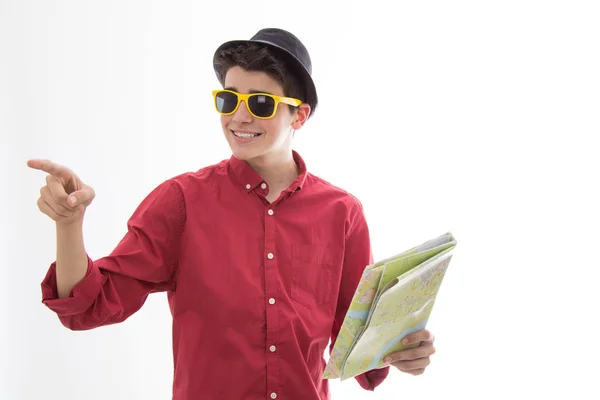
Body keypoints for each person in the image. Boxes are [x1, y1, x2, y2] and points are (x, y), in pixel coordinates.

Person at [28, 28, 436, 400]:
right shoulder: (181, 201)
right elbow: (89, 305)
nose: (239, 117)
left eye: (260, 103)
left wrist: (398, 353)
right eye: (229, 99)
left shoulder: (342, 214)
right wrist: (69, 225)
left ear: (299, 114)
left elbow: (357, 343)